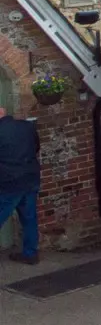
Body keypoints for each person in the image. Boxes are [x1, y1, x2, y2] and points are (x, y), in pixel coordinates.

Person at [0, 104, 40, 265]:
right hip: (30, 177)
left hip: (9, 183)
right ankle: (30, 253)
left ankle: (30, 253)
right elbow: (36, 147)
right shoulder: (27, 126)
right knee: (29, 217)